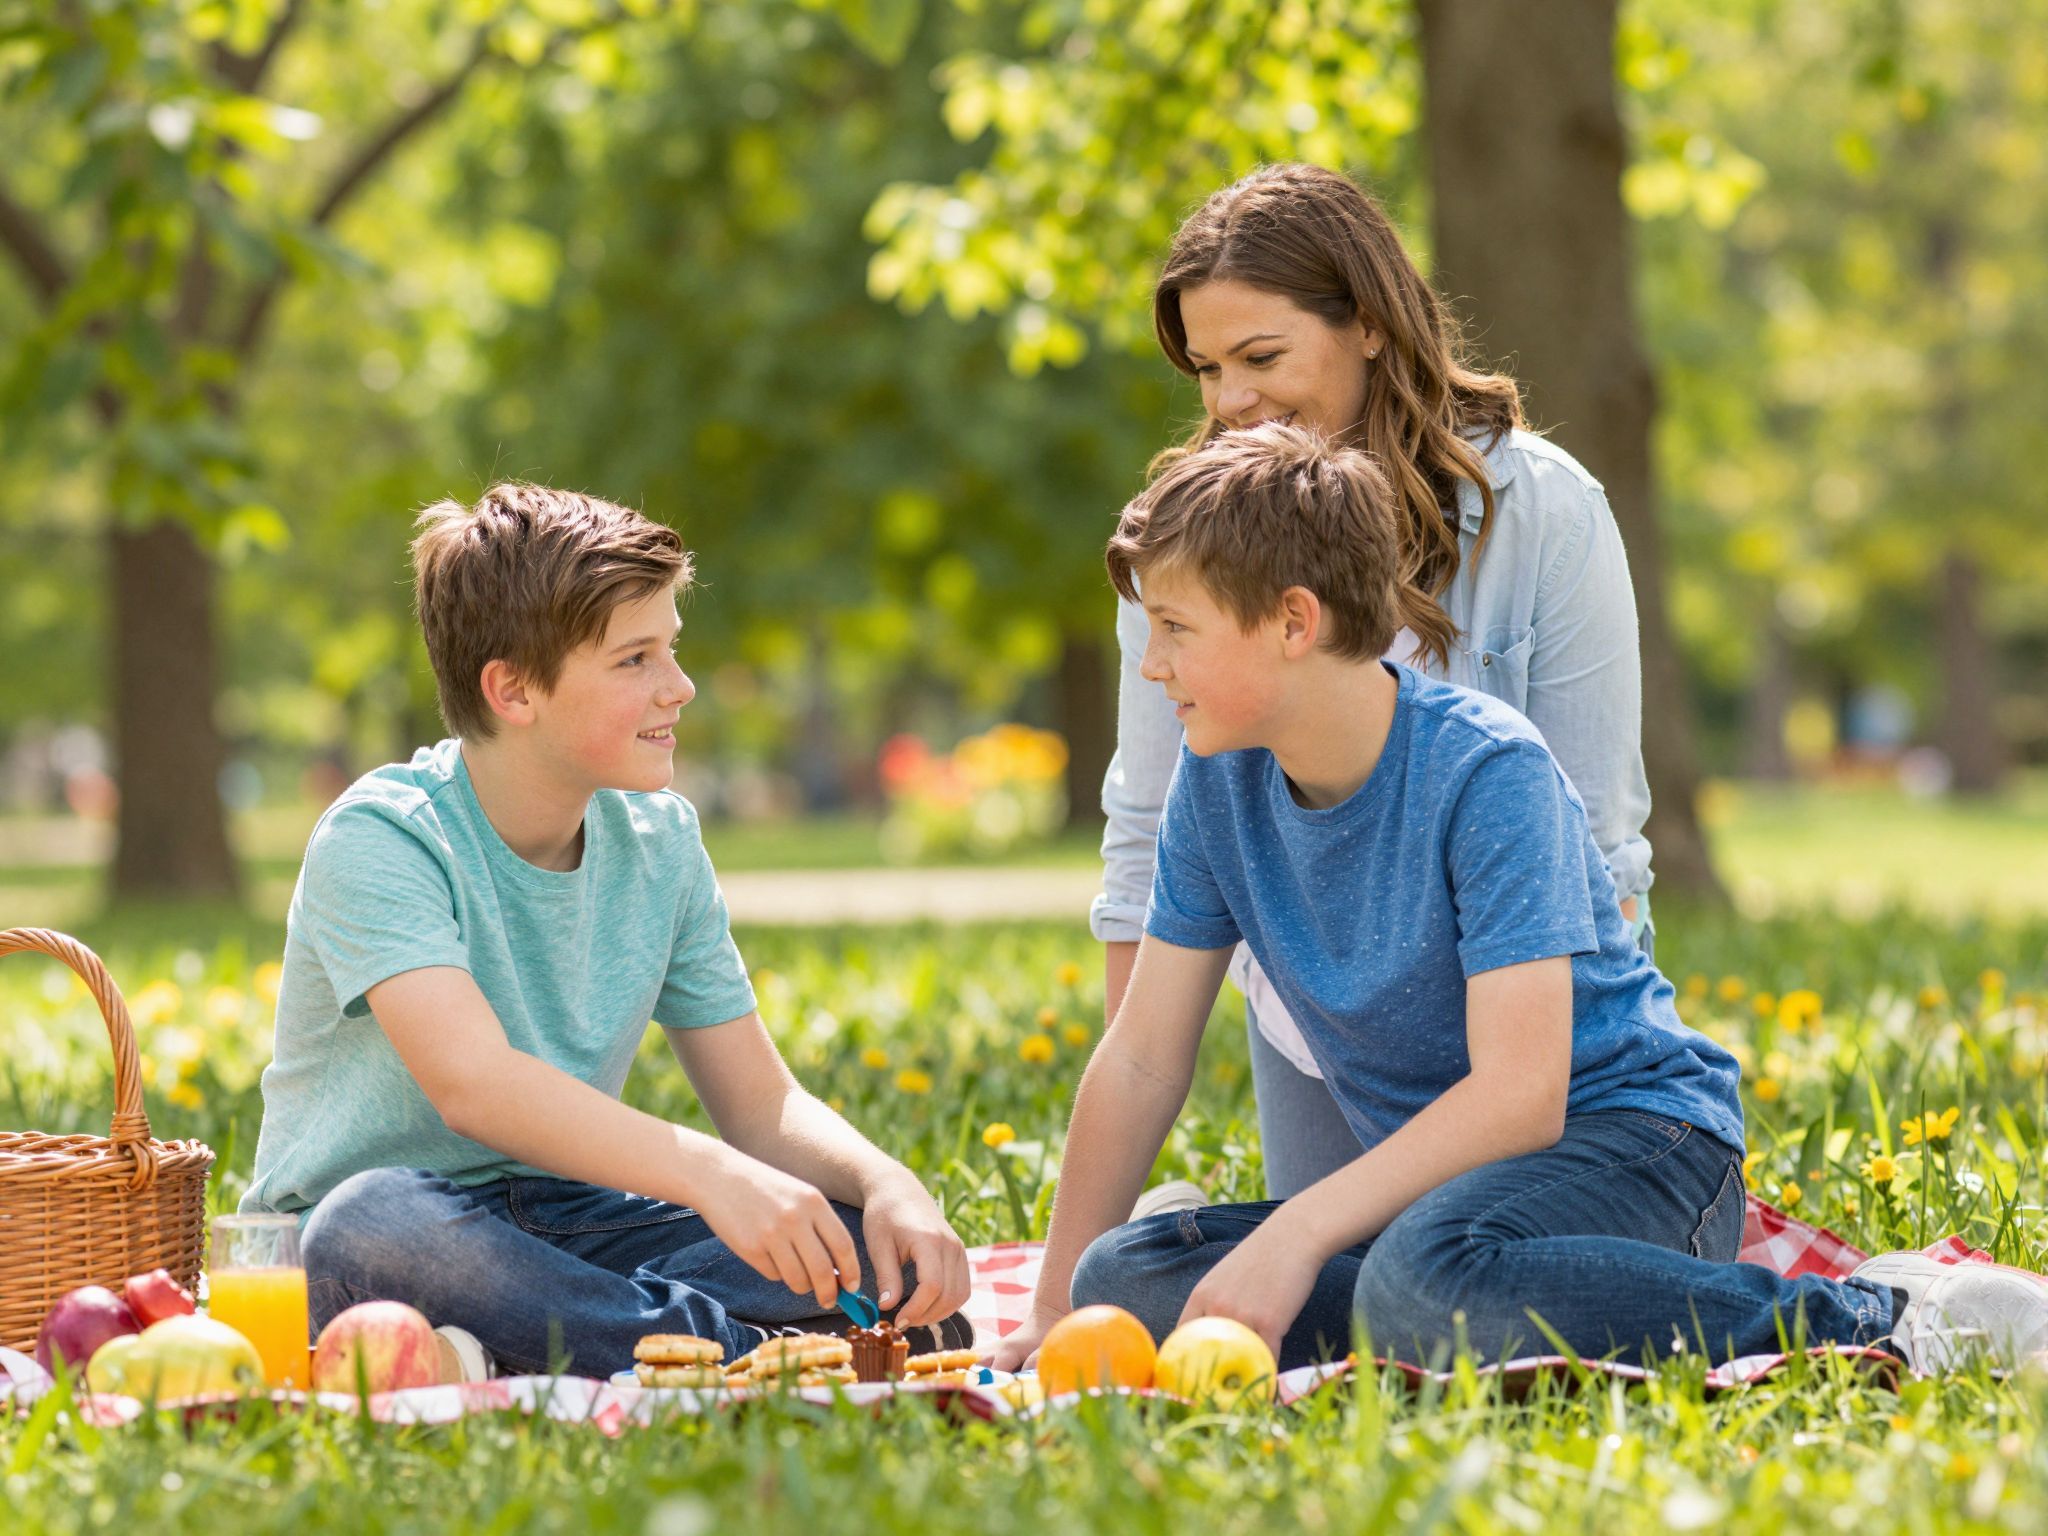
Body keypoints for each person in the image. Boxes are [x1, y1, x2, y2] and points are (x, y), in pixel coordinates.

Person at [994, 424, 2048, 1375]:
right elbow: (1139, 1059)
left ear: (1292, 621)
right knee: (1120, 1281)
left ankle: (1883, 1314)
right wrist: (1049, 1310)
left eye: (1174, 629)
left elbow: (1521, 1097)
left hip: (1632, 1145)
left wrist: (1297, 1232)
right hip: (1447, 1194)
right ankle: (1451, 1306)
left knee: (1418, 1283)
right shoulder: (1217, 782)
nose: (1151, 668)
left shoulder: (1481, 769)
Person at [244, 484, 972, 1379]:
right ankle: (750, 1356)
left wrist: (883, 1180)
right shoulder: (383, 837)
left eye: (671, 648)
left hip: (576, 1227)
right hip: (393, 1230)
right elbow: (476, 1086)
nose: (681, 686)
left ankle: (611, 1346)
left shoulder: (660, 842)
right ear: (512, 689)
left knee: (880, 1261)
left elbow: (762, 1103)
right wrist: (713, 1176)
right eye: (636, 659)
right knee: (371, 1225)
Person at [1095, 163, 1656, 1207]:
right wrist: (1119, 1165)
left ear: (1366, 324)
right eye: (1207, 369)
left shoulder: (1543, 511)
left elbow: (1598, 841)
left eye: (1261, 356)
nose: (1232, 401)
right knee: (1345, 1292)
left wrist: (1570, 1099)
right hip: (1329, 1028)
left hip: (1527, 1015)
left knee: (1459, 1283)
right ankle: (1168, 1239)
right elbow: (1144, 842)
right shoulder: (1178, 540)